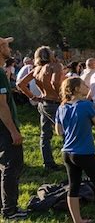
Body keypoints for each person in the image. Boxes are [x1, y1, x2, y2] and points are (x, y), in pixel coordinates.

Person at [55, 77, 95, 223]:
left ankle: (77, 220)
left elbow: (59, 131)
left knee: (73, 186)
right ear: (77, 89)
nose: (87, 86)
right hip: (84, 152)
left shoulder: (61, 107)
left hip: (67, 153)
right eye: (84, 84)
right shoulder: (86, 105)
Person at [16, 45, 64, 171]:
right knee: (66, 132)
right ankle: (72, 162)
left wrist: (33, 97)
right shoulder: (55, 66)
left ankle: (48, 163)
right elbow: (55, 82)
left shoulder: (37, 69)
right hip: (55, 103)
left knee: (45, 135)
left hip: (43, 103)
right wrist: (62, 97)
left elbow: (20, 84)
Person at [0, 37, 27, 220]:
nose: (10, 49)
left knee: (3, 166)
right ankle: (10, 210)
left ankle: (5, 206)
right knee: (12, 165)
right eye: (7, 46)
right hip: (4, 128)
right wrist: (13, 131)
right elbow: (2, 105)